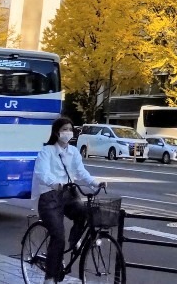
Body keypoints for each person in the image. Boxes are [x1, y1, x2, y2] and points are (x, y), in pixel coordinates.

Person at [35, 118, 103, 283]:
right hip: (49, 196)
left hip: (68, 194)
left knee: (86, 213)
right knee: (58, 236)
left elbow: (81, 172)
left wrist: (95, 183)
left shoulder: (74, 152)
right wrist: (54, 183)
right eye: (65, 129)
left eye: (70, 129)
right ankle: (50, 277)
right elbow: (41, 172)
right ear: (57, 132)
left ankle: (75, 242)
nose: (68, 132)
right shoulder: (47, 151)